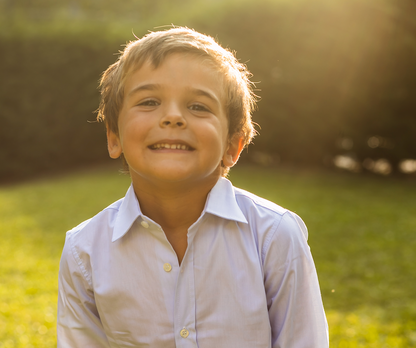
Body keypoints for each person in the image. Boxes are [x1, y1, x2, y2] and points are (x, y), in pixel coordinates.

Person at [57, 27, 328, 347]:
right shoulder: (83, 251)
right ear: (113, 137)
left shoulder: (274, 236)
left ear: (233, 146)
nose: (173, 117)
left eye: (198, 106)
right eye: (149, 101)